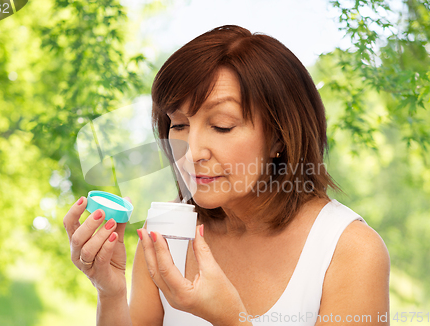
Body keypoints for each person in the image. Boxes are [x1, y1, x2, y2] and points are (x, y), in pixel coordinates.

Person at [63, 25, 390, 325]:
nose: (192, 151)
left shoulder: (349, 251)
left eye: (222, 125)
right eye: (178, 124)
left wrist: (232, 321)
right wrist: (111, 292)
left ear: (279, 136)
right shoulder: (166, 235)